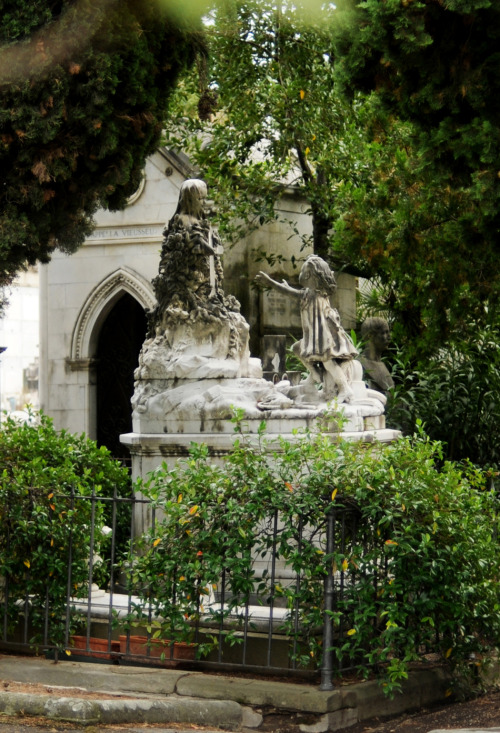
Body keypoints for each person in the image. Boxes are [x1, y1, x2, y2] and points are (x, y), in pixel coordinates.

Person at [255, 255, 358, 403]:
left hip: (323, 338)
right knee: (297, 348)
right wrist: (287, 287)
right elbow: (293, 292)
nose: (300, 274)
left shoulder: (311, 294)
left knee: (328, 362)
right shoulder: (319, 294)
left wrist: (270, 282)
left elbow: (291, 293)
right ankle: (315, 375)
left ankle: (344, 389)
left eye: (302, 270)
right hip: (317, 338)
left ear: (308, 274)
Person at [359, 317, 394, 394]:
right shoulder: (359, 364)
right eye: (383, 333)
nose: (389, 337)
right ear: (370, 336)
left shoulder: (382, 364)